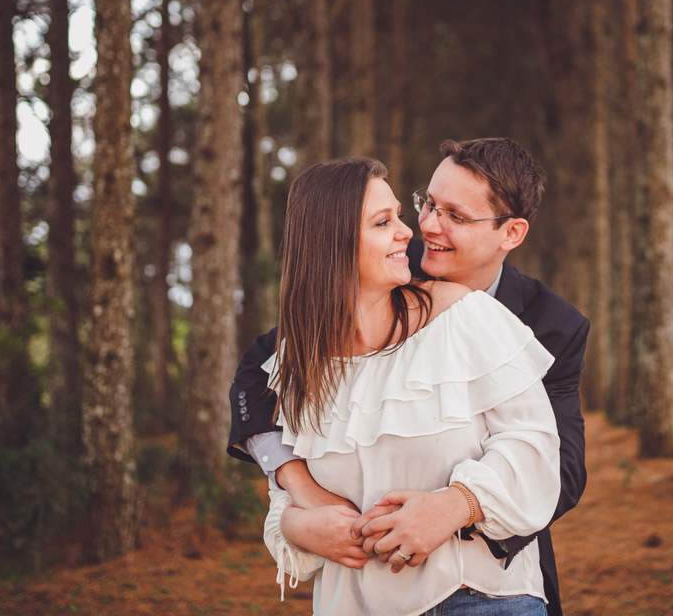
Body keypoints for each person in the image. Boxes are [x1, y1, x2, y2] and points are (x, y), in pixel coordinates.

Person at [228, 138, 590, 616]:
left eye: (455, 216)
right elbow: (258, 374)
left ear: (511, 233)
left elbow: (555, 466)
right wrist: (297, 494)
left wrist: (452, 511)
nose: (422, 228)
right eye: (427, 204)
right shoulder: (387, 271)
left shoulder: (547, 325)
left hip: (481, 587)